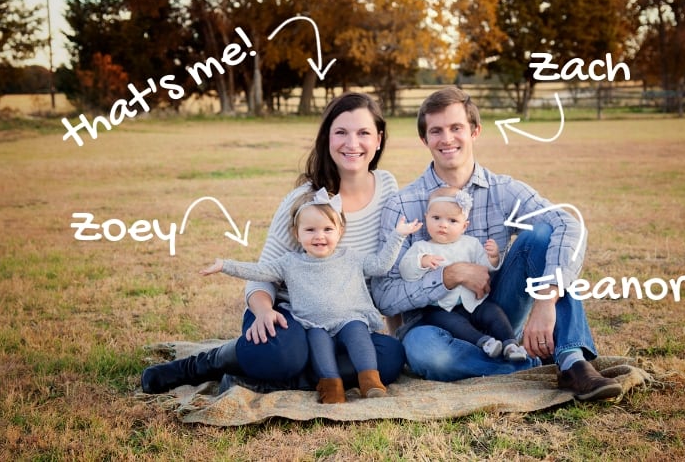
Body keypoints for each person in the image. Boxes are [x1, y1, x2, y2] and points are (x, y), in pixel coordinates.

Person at [141, 92, 407, 396]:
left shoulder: (387, 186)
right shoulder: (304, 200)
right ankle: (201, 365)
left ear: (379, 139)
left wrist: (395, 327)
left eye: (363, 133)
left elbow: (388, 266)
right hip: (291, 314)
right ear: (327, 138)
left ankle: (256, 382)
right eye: (341, 132)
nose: (352, 143)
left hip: (345, 319)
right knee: (285, 354)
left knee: (390, 358)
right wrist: (264, 311)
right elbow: (263, 274)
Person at [373, 86, 622, 401]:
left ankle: (573, 361)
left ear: (475, 131)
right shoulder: (403, 204)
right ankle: (528, 366)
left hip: (495, 310)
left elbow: (568, 225)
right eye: (436, 131)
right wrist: (447, 276)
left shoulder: (503, 190)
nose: (447, 138)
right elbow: (385, 295)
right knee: (429, 355)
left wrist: (545, 301)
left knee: (543, 236)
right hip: (432, 322)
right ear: (425, 140)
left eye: (456, 128)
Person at [200, 188, 421, 403]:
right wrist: (225, 265)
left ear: (340, 231)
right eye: (310, 230)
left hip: (350, 320)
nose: (319, 236)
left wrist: (398, 235)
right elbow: (258, 271)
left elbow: (381, 266)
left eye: (327, 229)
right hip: (314, 325)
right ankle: (331, 387)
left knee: (359, 335)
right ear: (297, 233)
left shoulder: (351, 257)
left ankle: (370, 381)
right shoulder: (290, 263)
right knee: (320, 346)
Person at [398, 186, 527, 361]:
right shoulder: (422, 248)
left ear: (464, 226)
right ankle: (485, 342)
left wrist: (493, 257)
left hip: (473, 302)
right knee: (454, 324)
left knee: (493, 312)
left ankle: (510, 343)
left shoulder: (471, 244)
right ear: (426, 218)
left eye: (452, 221)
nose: (443, 224)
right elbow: (406, 272)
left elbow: (485, 268)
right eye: (436, 218)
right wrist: (421, 261)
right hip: (441, 307)